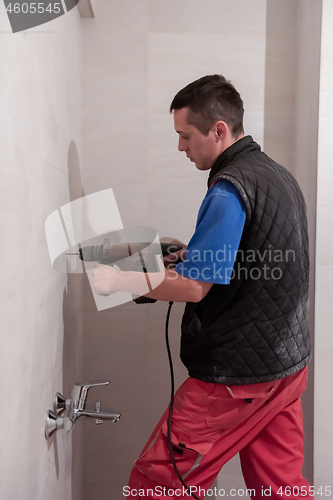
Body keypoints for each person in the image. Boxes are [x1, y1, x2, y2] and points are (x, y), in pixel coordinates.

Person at [93, 75, 312, 499]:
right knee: (280, 487)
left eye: (184, 136)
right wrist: (192, 252)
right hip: (286, 368)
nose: (180, 148)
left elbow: (194, 288)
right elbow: (259, 258)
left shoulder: (229, 187)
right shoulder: (278, 176)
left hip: (237, 377)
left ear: (218, 130)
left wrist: (118, 279)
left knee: (159, 481)